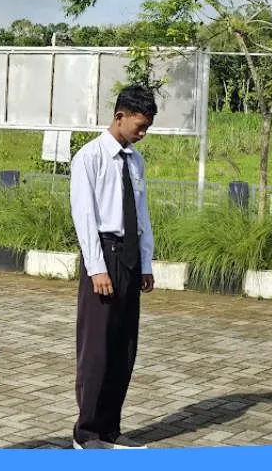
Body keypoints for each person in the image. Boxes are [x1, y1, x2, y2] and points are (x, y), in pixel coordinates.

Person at [70, 84, 158, 450]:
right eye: (138, 126)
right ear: (119, 116)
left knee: (124, 346)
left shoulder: (135, 160)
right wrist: (97, 268)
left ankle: (110, 427)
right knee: (97, 348)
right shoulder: (89, 158)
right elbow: (85, 216)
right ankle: (87, 431)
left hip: (130, 256)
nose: (141, 133)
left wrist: (146, 261)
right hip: (103, 253)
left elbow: (142, 214)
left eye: (146, 128)